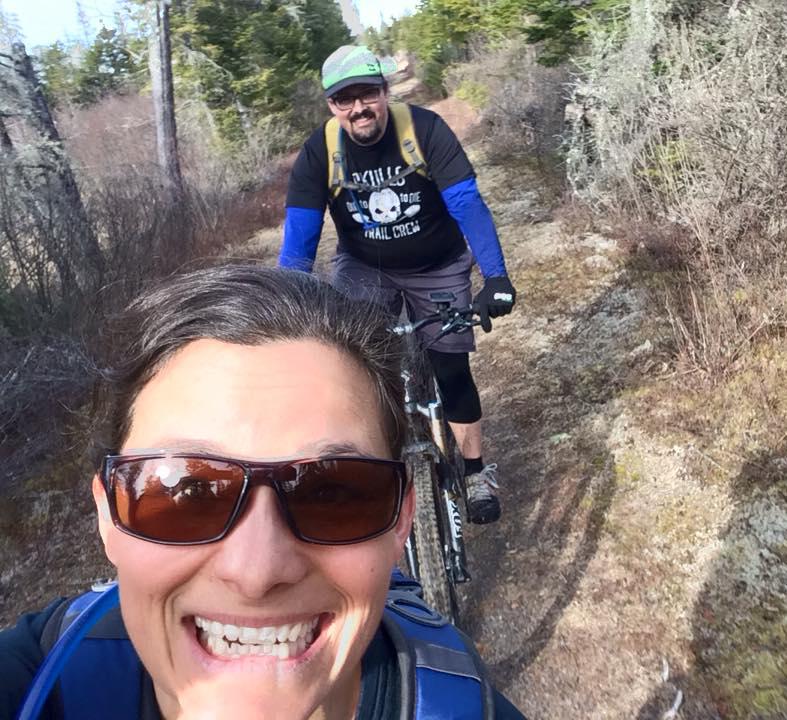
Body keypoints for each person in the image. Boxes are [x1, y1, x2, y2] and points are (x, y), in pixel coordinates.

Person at [0, 265, 526, 720]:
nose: (256, 574)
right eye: (188, 493)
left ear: (402, 519)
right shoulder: (42, 672)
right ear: (107, 516)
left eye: (333, 493)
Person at [279, 44, 517, 525]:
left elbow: (467, 203)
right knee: (358, 370)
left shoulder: (424, 129)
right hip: (365, 269)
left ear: (384, 91)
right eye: (344, 99)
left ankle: (473, 472)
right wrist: (285, 308)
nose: (358, 108)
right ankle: (372, 465)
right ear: (331, 104)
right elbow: (299, 237)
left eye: (367, 93)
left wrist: (495, 277)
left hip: (439, 264)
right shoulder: (320, 151)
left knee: (451, 369)